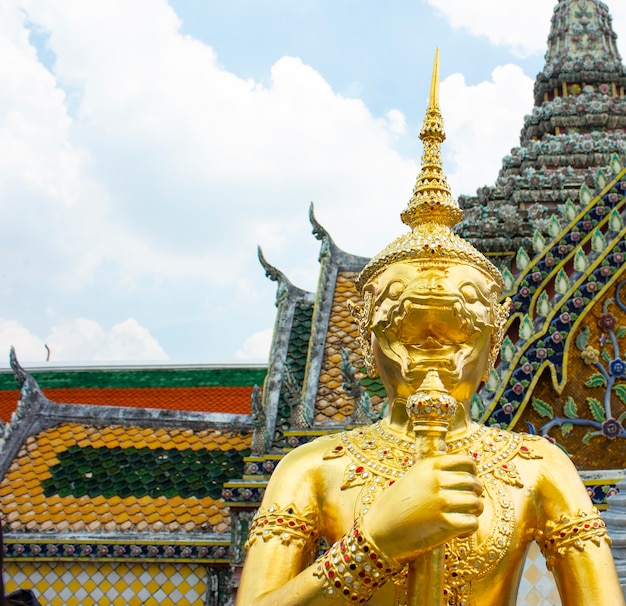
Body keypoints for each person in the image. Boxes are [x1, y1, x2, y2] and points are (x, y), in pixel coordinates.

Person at [235, 54, 625, 606]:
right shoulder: (315, 468)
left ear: (494, 349)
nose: (434, 356)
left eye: (460, 334)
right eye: (409, 334)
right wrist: (374, 544)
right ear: (369, 346)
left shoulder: (539, 467)